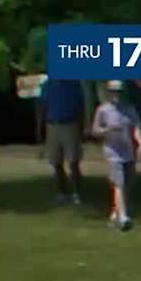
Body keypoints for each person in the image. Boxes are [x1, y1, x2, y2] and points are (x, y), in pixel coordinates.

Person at [91, 80, 141, 232]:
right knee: (119, 184)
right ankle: (124, 217)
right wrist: (107, 130)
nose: (116, 95)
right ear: (109, 92)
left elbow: (136, 127)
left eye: (119, 91)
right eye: (113, 91)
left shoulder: (129, 109)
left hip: (128, 151)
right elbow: (95, 131)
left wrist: (140, 144)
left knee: (126, 184)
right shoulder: (103, 110)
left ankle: (115, 213)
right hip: (113, 153)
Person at [40, 77, 84, 205]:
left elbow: (81, 106)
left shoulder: (74, 84)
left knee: (73, 161)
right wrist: (40, 127)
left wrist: (81, 128)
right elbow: (42, 106)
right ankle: (62, 193)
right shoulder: (47, 85)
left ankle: (77, 193)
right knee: (56, 162)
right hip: (52, 125)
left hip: (70, 124)